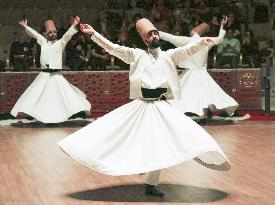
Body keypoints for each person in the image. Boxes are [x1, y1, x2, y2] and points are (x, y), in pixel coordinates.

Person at [58, 18, 230, 197]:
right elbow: (112, 48)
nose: (154, 35)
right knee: (125, 135)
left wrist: (203, 42)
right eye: (150, 34)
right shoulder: (136, 55)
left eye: (155, 32)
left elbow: (188, 50)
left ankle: (151, 183)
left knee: (164, 142)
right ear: (145, 40)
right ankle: (131, 164)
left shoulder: (169, 55)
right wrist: (94, 34)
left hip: (161, 106)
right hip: (142, 106)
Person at [10, 17, 91, 123]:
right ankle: (39, 115)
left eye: (54, 32)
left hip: (56, 76)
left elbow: (67, 35)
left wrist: (74, 24)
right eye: (50, 32)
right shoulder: (43, 41)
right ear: (46, 34)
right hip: (44, 76)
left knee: (64, 96)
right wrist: (26, 27)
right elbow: (35, 34)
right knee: (36, 96)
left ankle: (63, 115)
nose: (52, 34)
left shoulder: (60, 43)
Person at [159, 17, 239, 119]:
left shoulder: (186, 40)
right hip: (202, 73)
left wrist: (154, 32)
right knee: (207, 93)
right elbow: (220, 39)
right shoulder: (206, 41)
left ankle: (194, 112)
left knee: (187, 93)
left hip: (191, 73)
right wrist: (222, 26)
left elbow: (169, 37)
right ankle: (203, 112)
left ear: (194, 31)